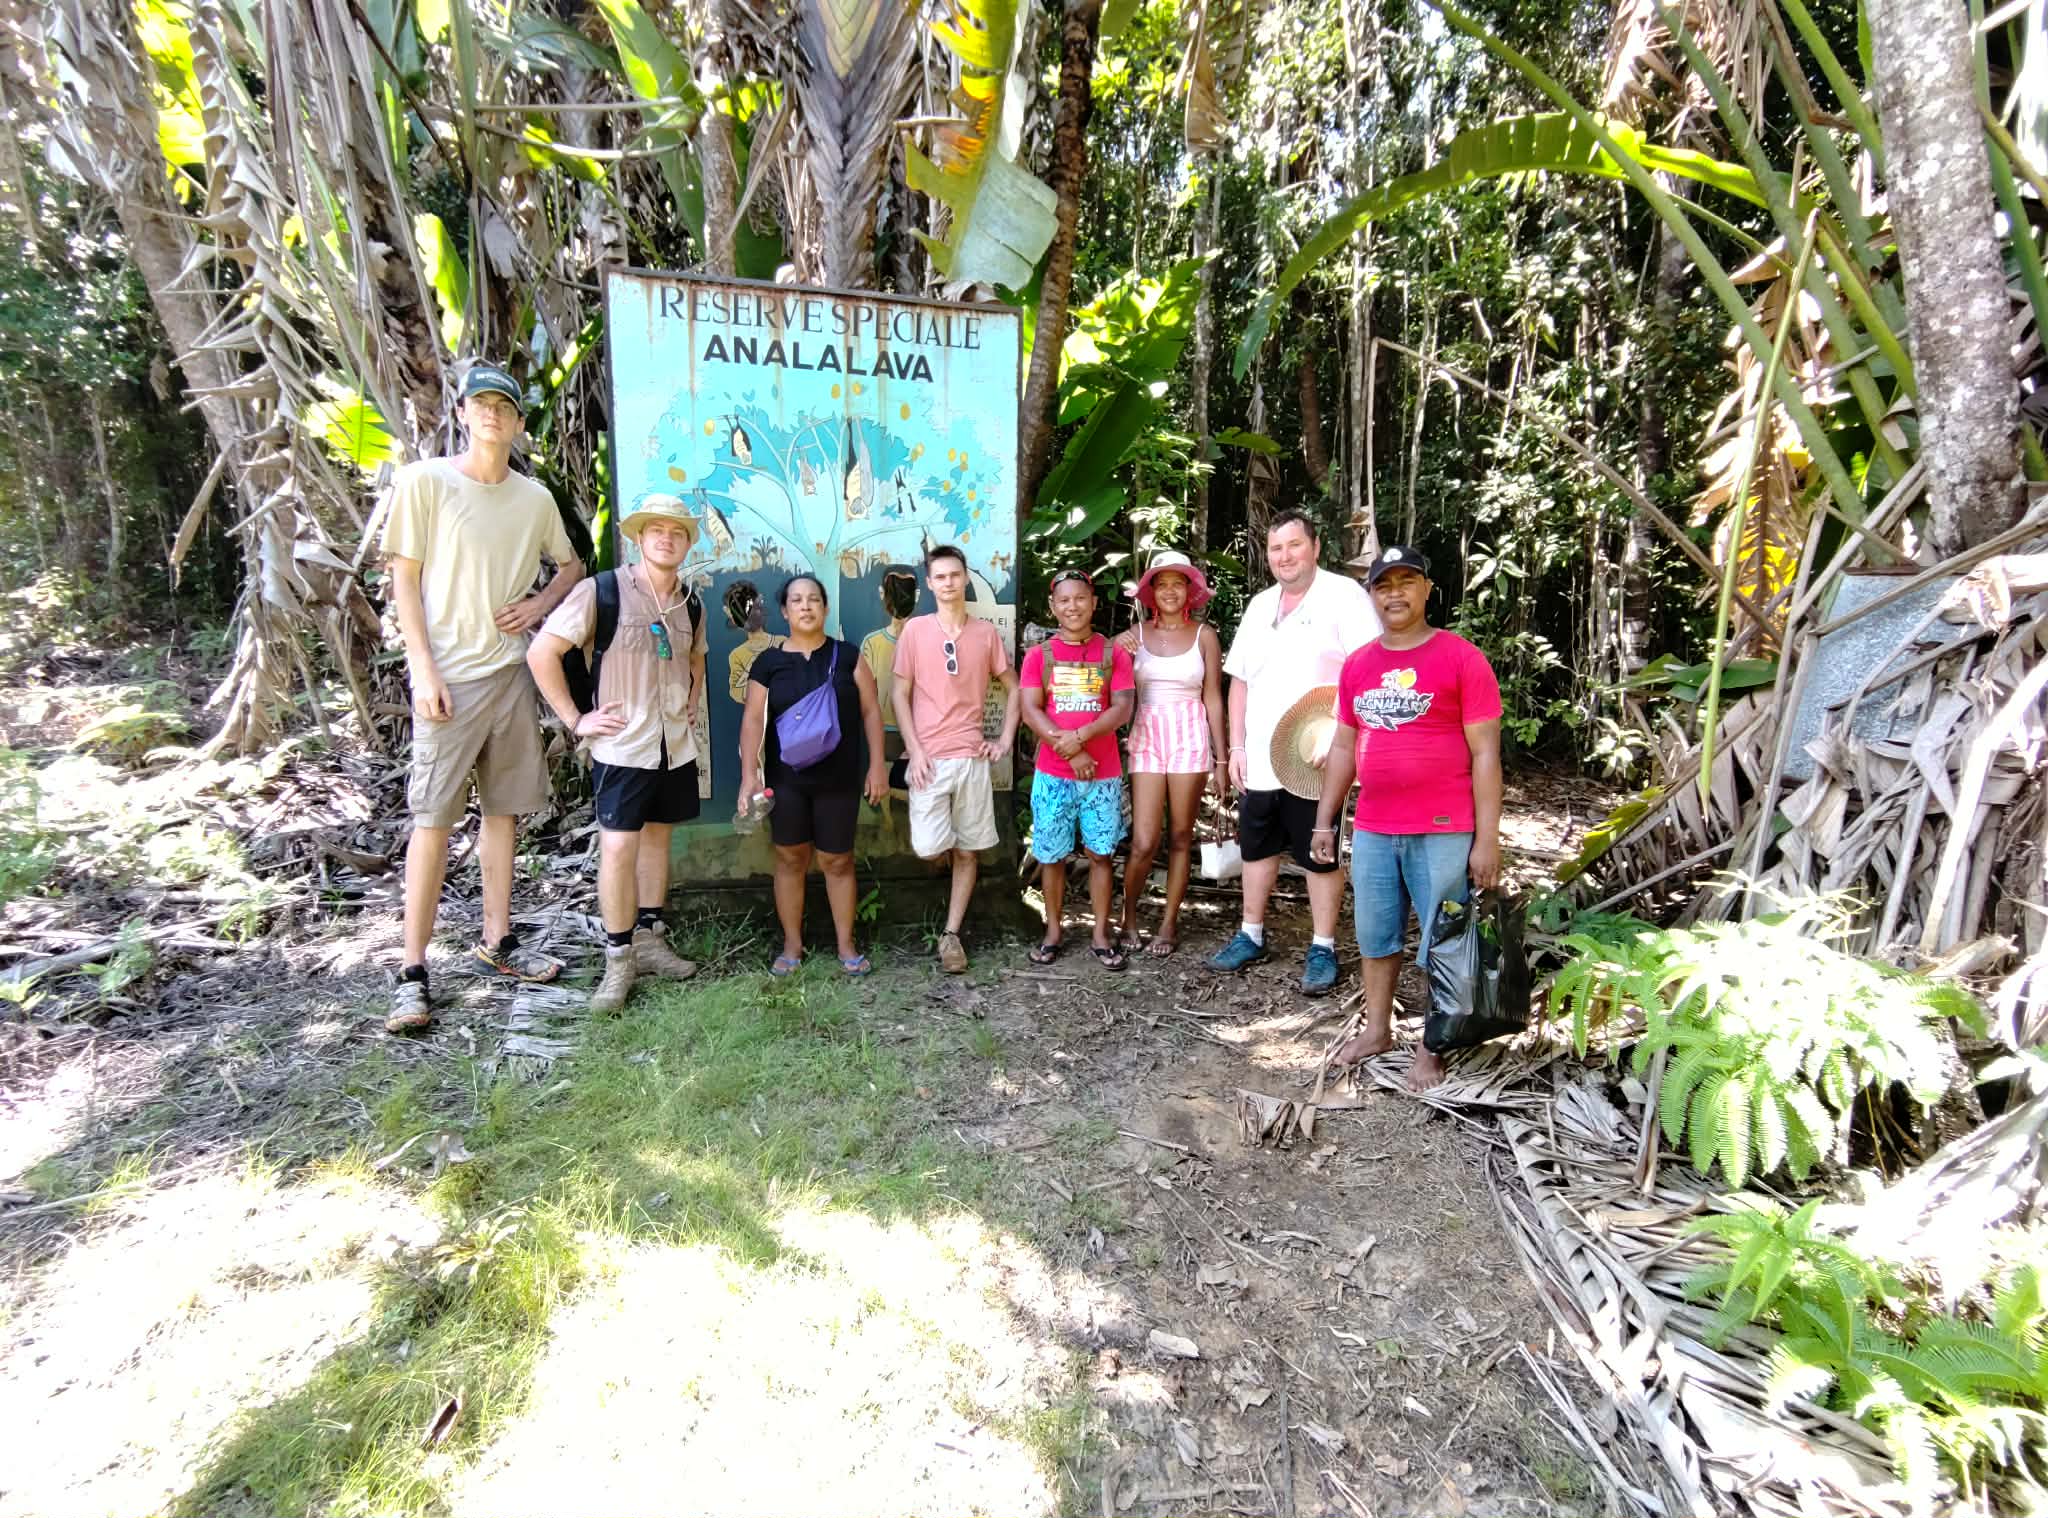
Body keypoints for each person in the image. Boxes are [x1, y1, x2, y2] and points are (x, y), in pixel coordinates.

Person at [381, 362, 586, 1035]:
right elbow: (403, 582)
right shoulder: (426, 483)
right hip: (447, 677)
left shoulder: (533, 499)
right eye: (482, 403)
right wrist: (423, 669)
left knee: (504, 814)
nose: (493, 414)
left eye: (505, 405)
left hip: (508, 676)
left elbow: (572, 566)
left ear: (520, 422)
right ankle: (412, 972)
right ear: (463, 412)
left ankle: (498, 941)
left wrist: (539, 606)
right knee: (433, 820)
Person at [1311, 546, 1503, 1091]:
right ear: (1371, 595)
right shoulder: (1359, 665)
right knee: (1375, 936)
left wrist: (1486, 839)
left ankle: (1431, 1046)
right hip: (1373, 825)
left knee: (1442, 939)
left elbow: (1486, 754)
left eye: (1405, 582)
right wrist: (1327, 822)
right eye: (1383, 585)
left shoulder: (1461, 658)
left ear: (1426, 589)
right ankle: (1378, 1030)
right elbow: (1345, 746)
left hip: (1444, 826)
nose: (1394, 593)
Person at [528, 495, 708, 1014]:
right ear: (638, 537)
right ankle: (619, 957)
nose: (666, 538)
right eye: (656, 529)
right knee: (618, 850)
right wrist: (576, 719)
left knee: (656, 844)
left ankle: (651, 940)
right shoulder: (601, 591)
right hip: (623, 746)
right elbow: (544, 652)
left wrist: (690, 702)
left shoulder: (688, 603)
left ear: (687, 541)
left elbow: (695, 657)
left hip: (671, 747)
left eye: (676, 531)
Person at [1211, 509, 1380, 995]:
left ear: (1316, 547)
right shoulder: (1261, 605)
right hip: (1261, 751)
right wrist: (1237, 744)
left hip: (1317, 751)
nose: (1285, 557)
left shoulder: (1344, 597)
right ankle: (1251, 933)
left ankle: (1323, 945)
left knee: (1318, 848)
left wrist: (1339, 729)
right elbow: (1238, 678)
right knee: (1256, 841)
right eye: (1276, 549)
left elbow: (1366, 669)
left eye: (1294, 545)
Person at [738, 573, 890, 975]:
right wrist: (748, 776)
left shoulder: (849, 656)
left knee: (838, 861)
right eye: (797, 600)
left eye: (814, 600)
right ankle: (792, 946)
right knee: (789, 858)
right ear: (785, 612)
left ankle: (846, 945)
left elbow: (872, 711)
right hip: (785, 780)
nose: (806, 606)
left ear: (825, 608)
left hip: (839, 779)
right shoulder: (767, 663)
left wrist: (877, 766)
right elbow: (753, 720)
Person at [893, 543, 1020, 974]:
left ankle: (951, 935)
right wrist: (915, 749)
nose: (948, 583)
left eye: (954, 575)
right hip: (929, 758)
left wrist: (1002, 739)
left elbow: (1013, 686)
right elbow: (899, 693)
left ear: (965, 578)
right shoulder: (914, 631)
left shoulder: (985, 634)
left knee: (970, 850)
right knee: (930, 847)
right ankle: (943, 862)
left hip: (970, 757)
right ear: (929, 584)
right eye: (940, 577)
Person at [1020, 569, 1136, 969]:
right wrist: (1070, 751)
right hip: (1053, 774)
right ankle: (1053, 930)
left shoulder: (1112, 653)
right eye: (1064, 600)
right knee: (1052, 856)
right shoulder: (1040, 656)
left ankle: (1101, 934)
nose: (1073, 607)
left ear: (1094, 602)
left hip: (1102, 776)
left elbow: (1122, 707)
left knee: (1101, 854)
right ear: (1053, 607)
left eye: (1080, 599)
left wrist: (1081, 737)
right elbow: (1030, 708)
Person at [1114, 551, 1227, 957]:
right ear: (1150, 593)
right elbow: (1103, 671)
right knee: (1144, 840)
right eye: (1161, 584)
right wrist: (1116, 645)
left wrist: (1222, 760)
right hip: (1146, 733)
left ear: (1190, 591)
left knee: (1181, 836)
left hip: (1190, 735)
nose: (1169, 592)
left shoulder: (1205, 635)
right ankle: (1127, 917)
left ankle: (1168, 923)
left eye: (1177, 583)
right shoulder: (1135, 633)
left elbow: (1214, 698)